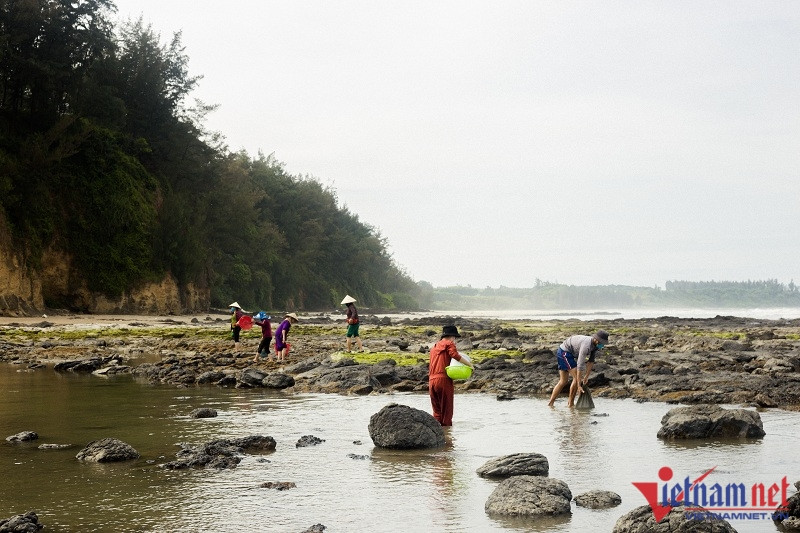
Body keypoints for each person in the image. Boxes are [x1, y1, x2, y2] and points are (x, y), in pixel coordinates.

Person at [547, 329, 609, 407]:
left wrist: (586, 377)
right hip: (564, 353)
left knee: (563, 381)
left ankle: (550, 404)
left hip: (568, 353)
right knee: (576, 379)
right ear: (597, 340)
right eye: (602, 343)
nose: (602, 345)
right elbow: (580, 365)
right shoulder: (586, 346)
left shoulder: (595, 346)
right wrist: (579, 385)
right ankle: (570, 404)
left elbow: (591, 361)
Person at [428, 325, 473, 426]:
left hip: (431, 381)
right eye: (455, 338)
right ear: (452, 336)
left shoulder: (434, 347)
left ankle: (439, 435)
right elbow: (455, 355)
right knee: (447, 412)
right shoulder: (449, 344)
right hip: (443, 380)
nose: (455, 340)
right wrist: (469, 365)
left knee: (437, 412)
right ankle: (448, 438)